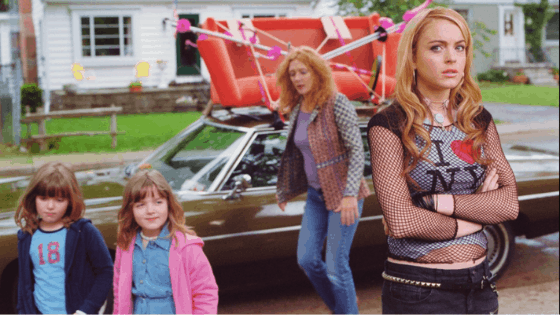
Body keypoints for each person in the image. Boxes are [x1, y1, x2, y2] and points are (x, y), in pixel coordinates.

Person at [366, 7, 519, 314]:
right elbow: (401, 221)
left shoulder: (478, 119)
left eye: (459, 47)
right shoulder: (389, 124)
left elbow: (509, 204)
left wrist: (435, 203)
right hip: (419, 290)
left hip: (480, 285)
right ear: (413, 56)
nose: (452, 58)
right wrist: (479, 210)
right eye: (437, 47)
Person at [275, 46, 371, 314]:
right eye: (292, 73)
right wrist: (284, 191)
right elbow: (295, 154)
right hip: (316, 197)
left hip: (344, 196)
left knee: (336, 265)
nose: (297, 78)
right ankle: (344, 306)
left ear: (316, 72)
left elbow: (356, 150)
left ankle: (347, 309)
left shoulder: (336, 102)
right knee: (306, 260)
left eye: (303, 71)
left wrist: (351, 194)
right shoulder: (297, 108)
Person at [112, 168, 218, 314]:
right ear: (130, 210)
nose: (150, 210)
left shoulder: (187, 248)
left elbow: (205, 293)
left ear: (169, 204)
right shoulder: (125, 245)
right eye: (141, 205)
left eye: (158, 202)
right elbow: (119, 292)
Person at [14, 162, 113, 314]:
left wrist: (86, 309)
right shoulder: (27, 236)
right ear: (34, 198)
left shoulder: (84, 231)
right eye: (43, 198)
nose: (50, 206)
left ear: (70, 201)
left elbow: (106, 271)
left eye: (59, 200)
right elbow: (24, 284)